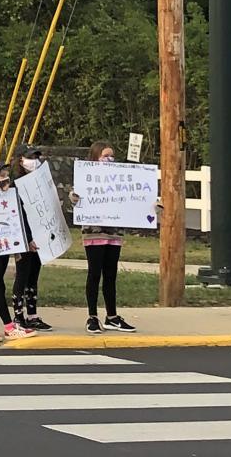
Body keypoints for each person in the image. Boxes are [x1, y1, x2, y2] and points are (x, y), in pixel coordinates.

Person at [75, 141, 137, 334]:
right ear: (95, 158)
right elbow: (76, 196)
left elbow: (134, 198)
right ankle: (92, 316)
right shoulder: (86, 178)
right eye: (105, 156)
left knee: (111, 274)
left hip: (113, 233)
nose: (110, 159)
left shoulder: (120, 179)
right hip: (94, 232)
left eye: (112, 156)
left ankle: (112, 316)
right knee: (94, 273)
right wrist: (74, 197)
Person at [0, 161, 35, 343]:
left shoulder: (11, 196)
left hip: (4, 245)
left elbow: (21, 216)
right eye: (1, 174)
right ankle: (8, 326)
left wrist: (28, 239)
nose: (5, 178)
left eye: (5, 173)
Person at [11, 145, 52, 331]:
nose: (34, 161)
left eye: (36, 157)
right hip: (24, 237)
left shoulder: (40, 183)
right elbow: (18, 214)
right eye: (30, 158)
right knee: (22, 274)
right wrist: (27, 238)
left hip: (40, 235)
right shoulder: (17, 185)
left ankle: (32, 313)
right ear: (20, 160)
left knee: (33, 275)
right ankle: (18, 315)